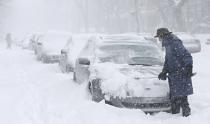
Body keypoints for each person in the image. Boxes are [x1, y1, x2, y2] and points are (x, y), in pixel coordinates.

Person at [154, 28, 194, 117]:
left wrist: (189, 67)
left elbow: (186, 55)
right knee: (175, 98)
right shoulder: (168, 44)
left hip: (181, 73)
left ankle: (187, 118)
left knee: (182, 98)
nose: (159, 40)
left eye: (159, 37)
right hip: (174, 75)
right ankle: (175, 117)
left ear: (162, 35)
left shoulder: (174, 43)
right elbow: (168, 60)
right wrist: (164, 71)